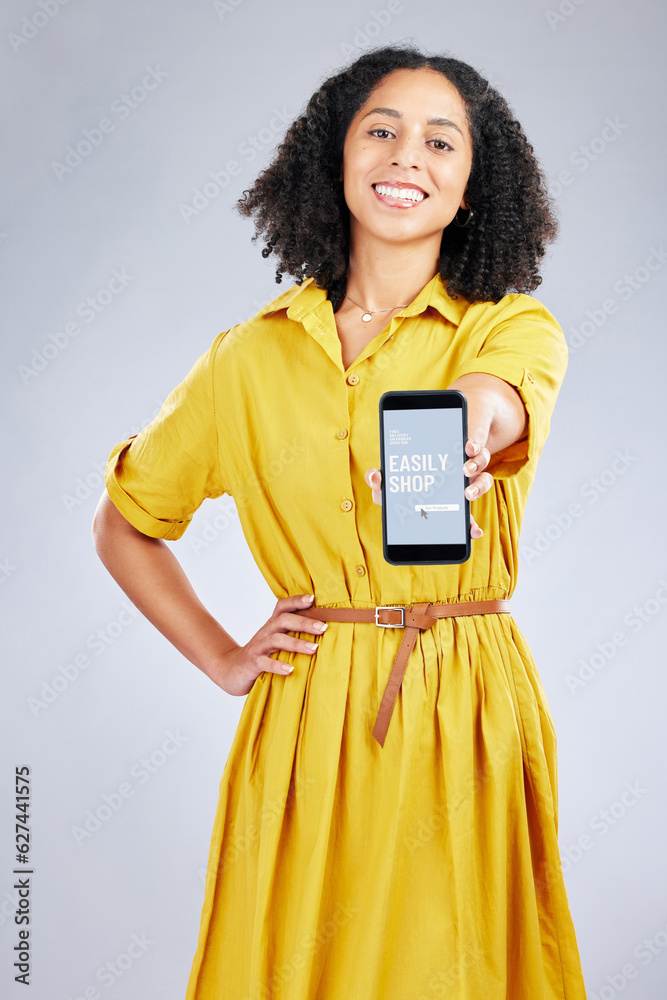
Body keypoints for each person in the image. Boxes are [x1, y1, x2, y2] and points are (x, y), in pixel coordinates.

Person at [92, 43, 588, 1000]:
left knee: (462, 966)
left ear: (471, 190)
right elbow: (126, 523)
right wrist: (225, 658)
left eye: (442, 143)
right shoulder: (245, 358)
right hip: (310, 705)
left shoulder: (509, 326)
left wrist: (469, 428)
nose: (409, 156)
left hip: (461, 702)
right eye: (382, 131)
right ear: (335, 160)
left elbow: (499, 397)